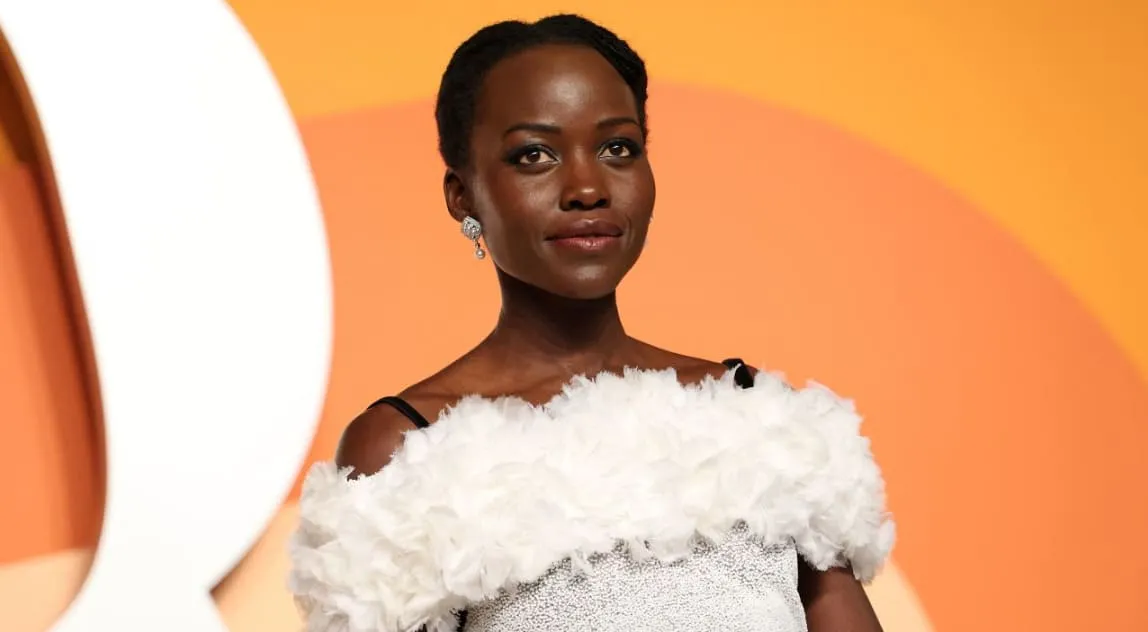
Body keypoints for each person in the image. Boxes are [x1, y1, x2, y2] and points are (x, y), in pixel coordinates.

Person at [288, 13, 894, 632]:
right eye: (534, 155)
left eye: (617, 148)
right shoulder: (405, 449)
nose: (587, 188)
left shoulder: (757, 416)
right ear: (462, 195)